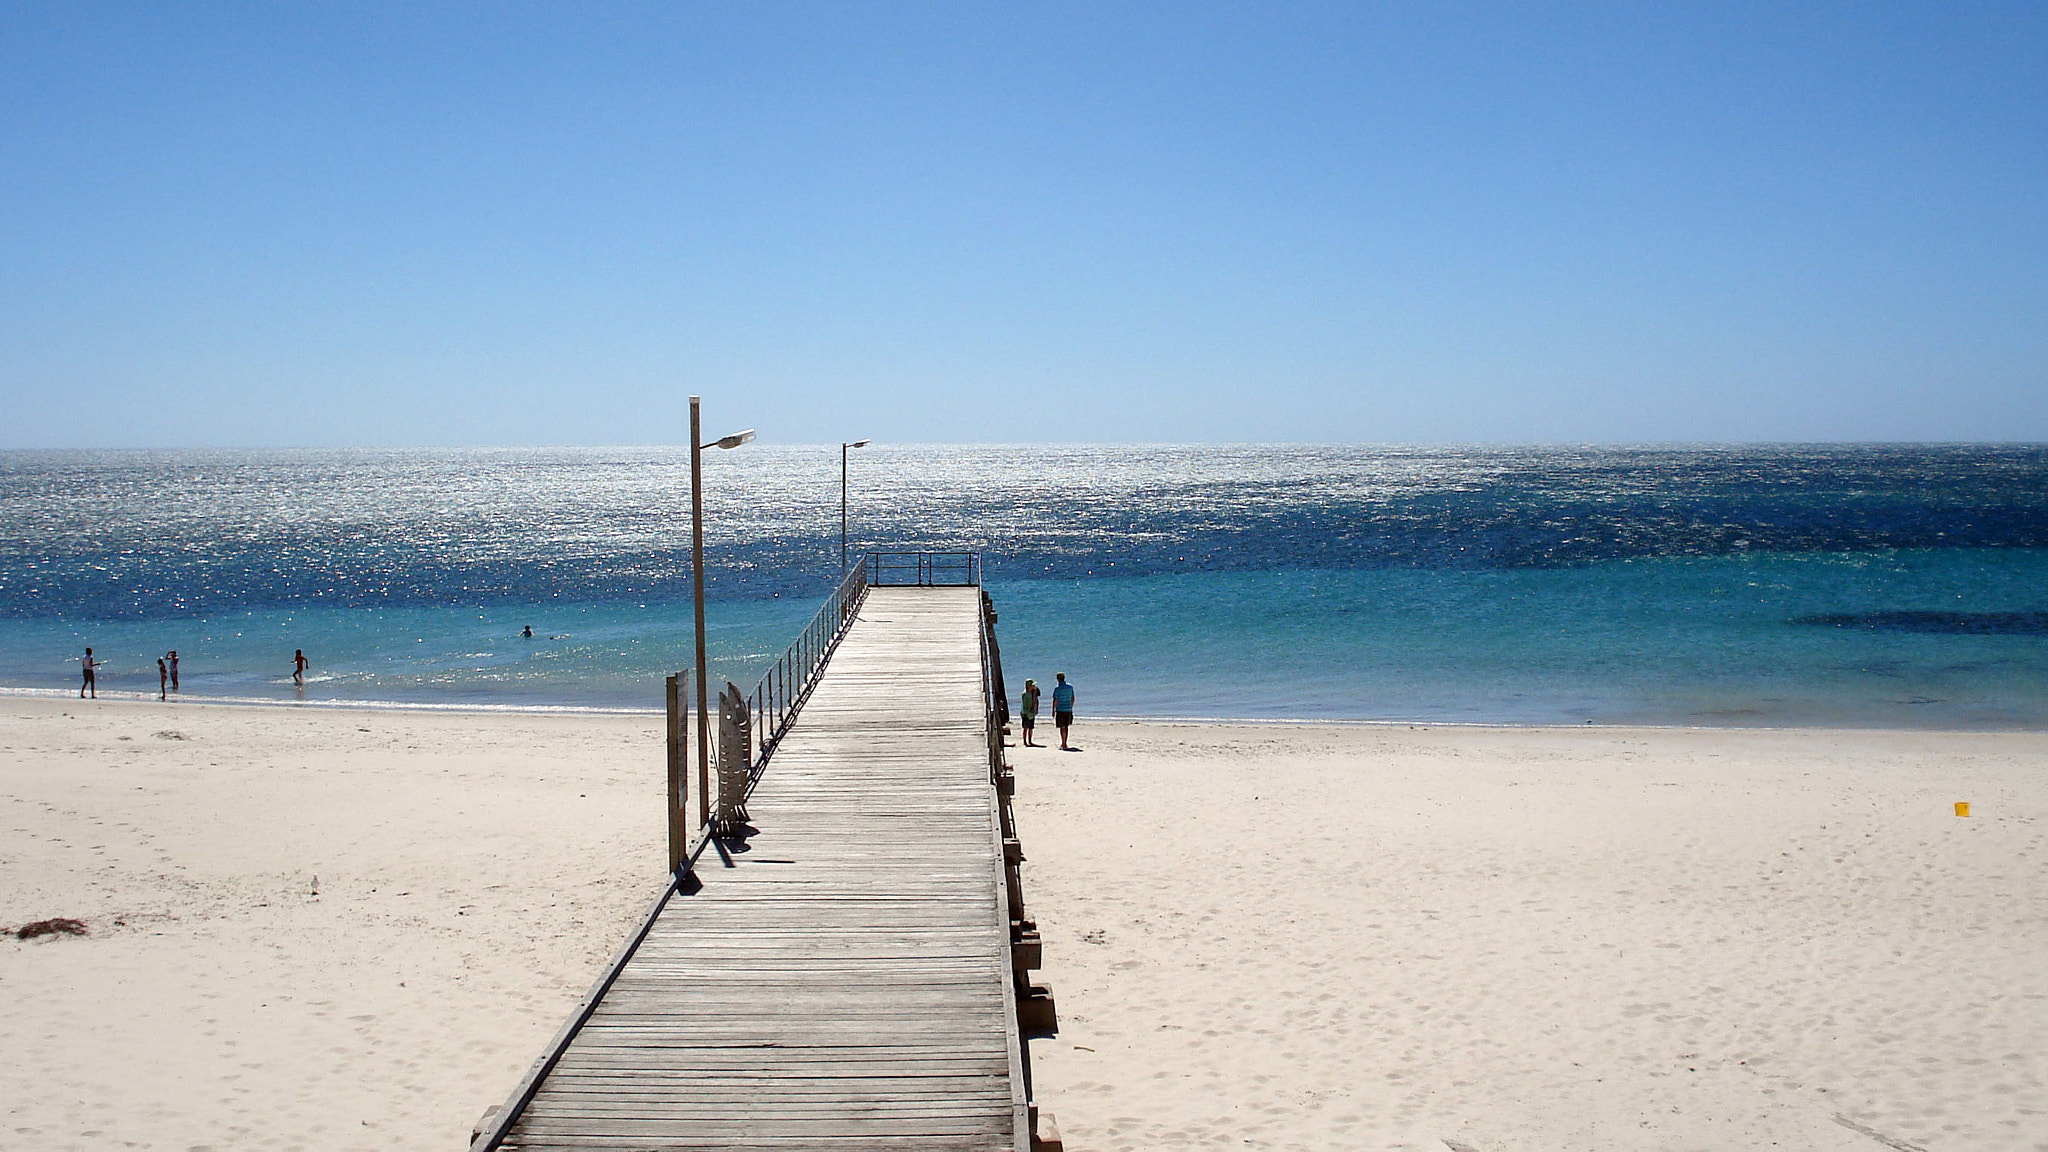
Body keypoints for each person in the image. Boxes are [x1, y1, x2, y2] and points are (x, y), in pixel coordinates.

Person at [1052, 672, 1076, 750]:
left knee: (1062, 727)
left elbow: (1055, 700)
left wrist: (1053, 710)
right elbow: (1072, 698)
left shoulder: (1057, 689)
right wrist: (1071, 706)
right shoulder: (1070, 687)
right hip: (1068, 709)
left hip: (1060, 709)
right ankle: (1065, 742)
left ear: (1058, 679)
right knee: (1066, 727)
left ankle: (1063, 743)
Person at [1019, 679, 1041, 747]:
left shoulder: (1033, 693)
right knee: (1025, 728)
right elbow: (1024, 705)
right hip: (1025, 713)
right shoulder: (1025, 694)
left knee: (1031, 728)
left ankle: (1030, 741)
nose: (1034, 686)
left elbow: (1037, 697)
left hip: (1031, 713)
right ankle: (1025, 741)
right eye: (1032, 685)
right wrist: (1025, 713)